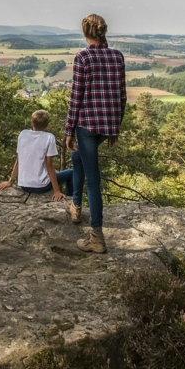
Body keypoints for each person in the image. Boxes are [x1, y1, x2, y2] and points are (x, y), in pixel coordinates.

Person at [65, 14, 127, 253]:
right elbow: (122, 95)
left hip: (87, 125)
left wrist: (69, 130)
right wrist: (115, 127)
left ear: (85, 32)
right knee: (77, 158)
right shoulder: (117, 56)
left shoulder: (83, 57)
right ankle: (76, 207)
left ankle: (97, 237)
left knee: (93, 180)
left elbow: (76, 97)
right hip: (107, 124)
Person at [0, 110, 73, 200]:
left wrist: (11, 181)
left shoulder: (23, 134)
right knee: (71, 173)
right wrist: (56, 191)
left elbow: (18, 161)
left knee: (57, 173)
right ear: (47, 125)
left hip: (24, 185)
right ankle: (71, 200)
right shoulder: (49, 137)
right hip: (41, 187)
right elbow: (49, 166)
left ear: (31, 122)